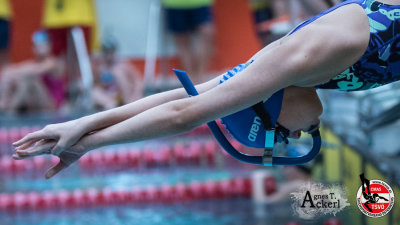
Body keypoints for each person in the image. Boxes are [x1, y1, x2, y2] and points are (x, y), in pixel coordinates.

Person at [12, 0, 400, 179]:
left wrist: (90, 142)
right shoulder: (295, 68)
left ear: (266, 102)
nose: (296, 134)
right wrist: (84, 126)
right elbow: (190, 96)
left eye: (282, 133)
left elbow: (187, 111)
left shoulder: (305, 58)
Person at [0, 30, 65, 113]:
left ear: (49, 45)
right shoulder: (33, 63)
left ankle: (10, 111)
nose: (39, 48)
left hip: (52, 106)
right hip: (37, 103)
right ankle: (4, 105)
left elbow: (36, 69)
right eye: (36, 45)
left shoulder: (54, 63)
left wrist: (13, 73)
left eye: (42, 45)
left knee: (29, 78)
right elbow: (8, 71)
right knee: (17, 80)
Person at [163, 0, 215, 84]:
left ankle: (201, 78)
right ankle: (190, 79)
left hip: (201, 3)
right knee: (182, 41)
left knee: (206, 35)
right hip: (174, 4)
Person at [91, 40, 143, 110]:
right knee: (94, 92)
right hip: (109, 98)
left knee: (118, 72)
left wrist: (135, 97)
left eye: (111, 53)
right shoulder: (100, 67)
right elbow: (96, 85)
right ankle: (111, 104)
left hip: (124, 96)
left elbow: (138, 82)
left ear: (115, 53)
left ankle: (126, 104)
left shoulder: (123, 65)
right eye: (106, 53)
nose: (108, 56)